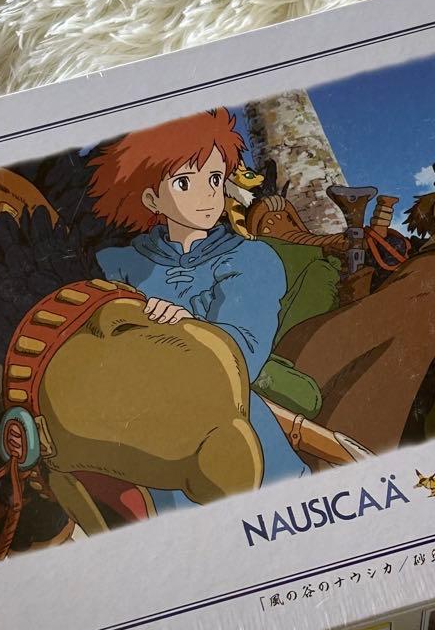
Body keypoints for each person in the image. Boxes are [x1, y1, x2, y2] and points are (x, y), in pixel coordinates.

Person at [89, 108, 308, 511]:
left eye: (215, 179)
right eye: (184, 182)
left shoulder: (251, 259)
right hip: (128, 426)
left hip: (225, 423)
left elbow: (244, 353)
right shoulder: (115, 264)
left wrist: (189, 330)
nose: (207, 195)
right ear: (152, 198)